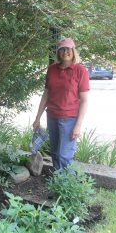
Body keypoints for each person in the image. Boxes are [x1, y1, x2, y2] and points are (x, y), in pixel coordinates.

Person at [32, 38, 89, 170]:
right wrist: (37, 117)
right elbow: (46, 94)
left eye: (68, 49)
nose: (65, 52)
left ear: (73, 51)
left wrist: (78, 125)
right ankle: (58, 183)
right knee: (55, 154)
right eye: (62, 49)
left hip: (69, 118)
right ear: (58, 52)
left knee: (64, 155)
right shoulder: (52, 69)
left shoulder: (80, 70)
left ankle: (65, 185)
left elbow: (85, 101)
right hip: (52, 116)